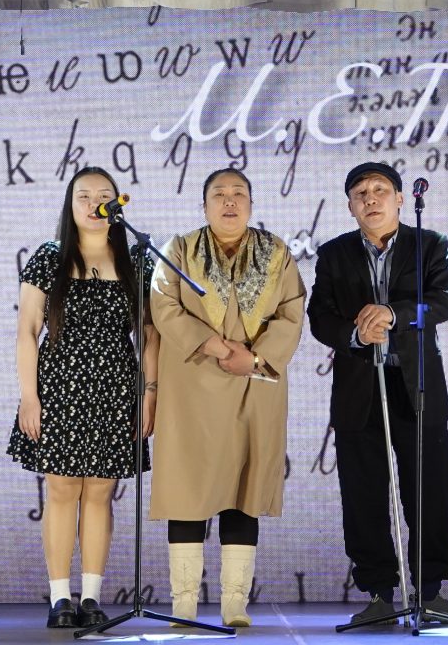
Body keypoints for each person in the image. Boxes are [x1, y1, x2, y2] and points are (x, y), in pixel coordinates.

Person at [149, 168, 305, 628]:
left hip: (252, 384)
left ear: (251, 204)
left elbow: (292, 313)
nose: (230, 201)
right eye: (219, 194)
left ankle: (234, 604)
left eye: (239, 193)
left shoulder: (276, 252)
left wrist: (253, 358)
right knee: (188, 492)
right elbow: (164, 306)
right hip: (192, 387)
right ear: (204, 206)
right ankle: (183, 604)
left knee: (244, 490)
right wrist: (218, 348)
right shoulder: (179, 250)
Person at [308, 162, 448, 625]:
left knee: (429, 490)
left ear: (399, 198)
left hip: (416, 386)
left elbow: (443, 302)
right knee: (364, 495)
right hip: (359, 388)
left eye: (380, 190)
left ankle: (430, 592)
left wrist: (394, 315)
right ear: (350, 206)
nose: (370, 198)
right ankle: (378, 594)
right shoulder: (333, 253)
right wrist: (356, 334)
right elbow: (320, 318)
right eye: (360, 193)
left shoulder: (428, 243)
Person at [7, 166, 155, 631]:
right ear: (70, 206)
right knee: (61, 489)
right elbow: (27, 331)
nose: (94, 204)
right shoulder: (50, 257)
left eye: (103, 195)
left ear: (118, 204)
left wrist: (149, 394)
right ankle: (59, 598)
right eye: (83, 196)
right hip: (59, 387)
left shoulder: (137, 260)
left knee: (101, 492)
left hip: (116, 388)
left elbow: (150, 335)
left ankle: (91, 597)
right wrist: (28, 396)